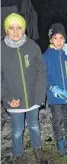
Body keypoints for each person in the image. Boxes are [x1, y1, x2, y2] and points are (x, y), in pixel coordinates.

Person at [1, 13, 48, 164]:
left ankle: (37, 150)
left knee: (34, 125)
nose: (15, 31)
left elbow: (41, 72)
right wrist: (7, 99)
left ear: (24, 29)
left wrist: (40, 96)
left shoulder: (32, 46)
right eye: (11, 28)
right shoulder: (1, 49)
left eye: (19, 27)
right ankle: (18, 154)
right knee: (17, 131)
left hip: (33, 98)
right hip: (14, 101)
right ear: (6, 29)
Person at [43, 23, 67, 156]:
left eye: (61, 38)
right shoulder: (47, 56)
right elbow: (43, 75)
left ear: (65, 39)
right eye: (55, 38)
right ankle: (60, 143)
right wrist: (52, 87)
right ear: (50, 40)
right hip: (55, 97)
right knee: (57, 119)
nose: (59, 41)